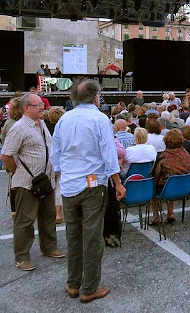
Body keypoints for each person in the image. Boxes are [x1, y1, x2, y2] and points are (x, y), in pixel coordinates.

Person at [50, 80, 125, 303]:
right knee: (92, 237)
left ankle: (73, 283)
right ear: (96, 97)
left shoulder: (64, 118)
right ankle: (89, 288)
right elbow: (109, 154)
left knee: (73, 235)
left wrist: (65, 173)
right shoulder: (100, 118)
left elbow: (56, 154)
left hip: (70, 185)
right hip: (92, 185)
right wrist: (117, 182)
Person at [1, 93, 66, 272]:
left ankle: (49, 247)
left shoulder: (41, 124)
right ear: (26, 108)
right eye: (37, 105)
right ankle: (22, 256)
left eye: (41, 104)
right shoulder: (19, 128)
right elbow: (6, 155)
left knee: (48, 215)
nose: (41, 107)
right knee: (25, 219)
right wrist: (17, 171)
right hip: (27, 182)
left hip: (46, 180)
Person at [149, 129, 190, 224]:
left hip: (168, 188)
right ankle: (170, 212)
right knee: (170, 181)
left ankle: (155, 217)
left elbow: (154, 174)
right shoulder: (186, 154)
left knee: (157, 186)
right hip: (185, 186)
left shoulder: (163, 157)